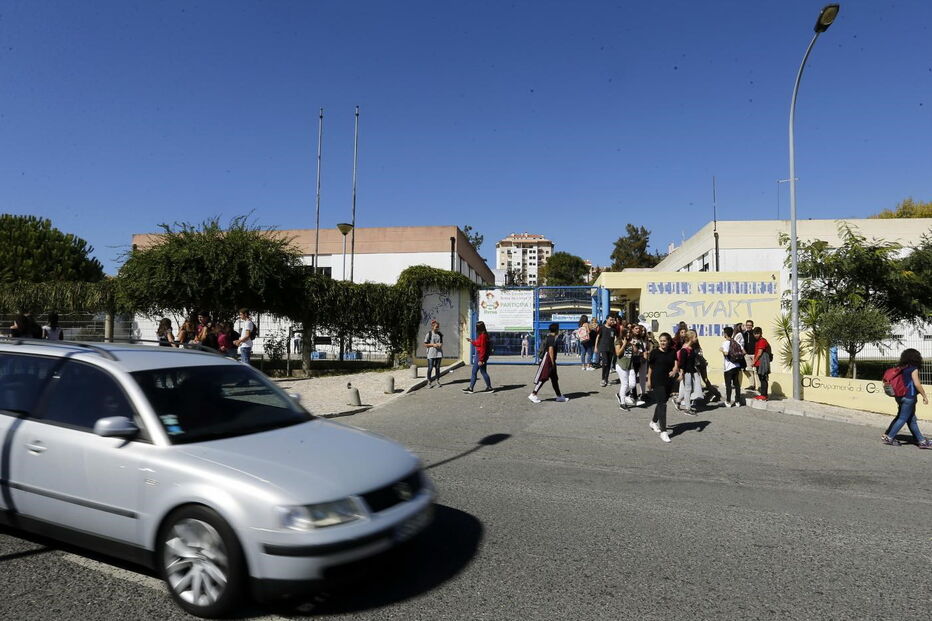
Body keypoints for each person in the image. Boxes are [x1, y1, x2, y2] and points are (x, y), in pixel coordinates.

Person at [881, 349, 931, 448]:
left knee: (911, 419)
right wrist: (924, 396)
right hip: (909, 396)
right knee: (903, 418)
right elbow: (917, 384)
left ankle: (921, 441)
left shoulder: (900, 367)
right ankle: (890, 437)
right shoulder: (913, 368)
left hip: (899, 396)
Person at [647, 332, 679, 443]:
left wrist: (675, 370)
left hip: (668, 381)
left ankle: (653, 422)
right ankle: (664, 431)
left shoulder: (672, 352)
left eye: (664, 341)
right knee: (662, 404)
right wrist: (649, 380)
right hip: (657, 381)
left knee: (662, 402)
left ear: (668, 341)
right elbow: (650, 368)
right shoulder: (655, 352)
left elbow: (676, 364)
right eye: (661, 341)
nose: (662, 343)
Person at [528, 323, 568, 403]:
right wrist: (552, 362)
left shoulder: (550, 337)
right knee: (543, 377)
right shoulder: (552, 338)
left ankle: (559, 396)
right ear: (556, 330)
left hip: (549, 360)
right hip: (548, 361)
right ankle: (533, 394)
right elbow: (550, 350)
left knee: (554, 379)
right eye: (558, 329)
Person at [676, 330, 702, 415]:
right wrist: (681, 374)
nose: (696, 338)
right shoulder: (685, 349)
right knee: (688, 389)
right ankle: (687, 408)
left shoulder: (691, 348)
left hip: (691, 371)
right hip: (686, 372)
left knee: (688, 389)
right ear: (691, 338)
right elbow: (682, 363)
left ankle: (678, 400)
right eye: (695, 337)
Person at [463, 321, 492, 393]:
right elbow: (478, 344)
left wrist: (481, 360)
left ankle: (471, 388)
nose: (476, 328)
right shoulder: (483, 335)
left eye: (477, 327)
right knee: (482, 372)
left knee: (476, 372)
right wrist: (471, 341)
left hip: (480, 356)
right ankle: (488, 387)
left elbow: (483, 348)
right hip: (480, 356)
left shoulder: (483, 336)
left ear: (479, 328)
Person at [614, 327, 637, 410]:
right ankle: (622, 404)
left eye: (629, 333)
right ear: (623, 333)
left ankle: (620, 394)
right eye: (626, 333)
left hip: (630, 365)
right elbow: (617, 353)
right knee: (625, 384)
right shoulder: (619, 341)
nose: (628, 334)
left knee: (633, 384)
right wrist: (624, 344)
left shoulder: (630, 341)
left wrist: (633, 344)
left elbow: (635, 352)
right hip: (621, 365)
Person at [720, 326, 743, 407]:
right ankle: (737, 402)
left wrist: (721, 350)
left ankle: (728, 401)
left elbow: (726, 353)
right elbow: (743, 351)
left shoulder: (725, 343)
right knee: (737, 384)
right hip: (737, 366)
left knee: (728, 385)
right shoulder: (736, 342)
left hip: (729, 367)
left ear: (725, 334)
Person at [594, 316, 617, 387]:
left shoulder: (613, 329)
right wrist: (596, 347)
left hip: (611, 348)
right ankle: (603, 379)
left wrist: (616, 348)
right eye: (610, 319)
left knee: (609, 364)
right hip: (603, 348)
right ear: (606, 320)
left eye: (612, 320)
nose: (612, 321)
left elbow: (615, 339)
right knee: (605, 363)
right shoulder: (602, 328)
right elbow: (597, 337)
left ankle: (606, 379)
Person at [751, 327, 771, 400]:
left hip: (762, 362)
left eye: (757, 333)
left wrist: (754, 361)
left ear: (761, 333)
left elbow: (759, 353)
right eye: (755, 333)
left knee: (763, 378)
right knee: (761, 378)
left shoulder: (762, 341)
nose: (756, 335)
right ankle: (763, 395)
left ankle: (764, 395)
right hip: (759, 363)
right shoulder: (758, 341)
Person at [424, 319, 444, 388]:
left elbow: (441, 343)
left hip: (438, 353)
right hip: (431, 353)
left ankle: (437, 381)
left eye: (438, 327)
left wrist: (440, 345)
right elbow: (425, 344)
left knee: (437, 368)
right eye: (436, 327)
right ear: (433, 327)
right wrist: (433, 345)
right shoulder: (429, 334)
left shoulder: (440, 334)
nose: (437, 328)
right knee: (430, 367)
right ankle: (429, 381)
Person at [743, 320, 759, 392]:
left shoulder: (755, 333)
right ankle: (752, 385)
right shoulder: (744, 334)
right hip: (747, 354)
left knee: (756, 371)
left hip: (754, 354)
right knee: (749, 370)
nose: (749, 326)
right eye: (747, 325)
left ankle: (759, 386)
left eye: (750, 325)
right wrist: (744, 352)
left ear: (752, 326)